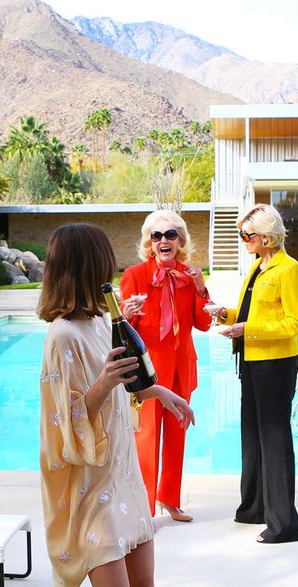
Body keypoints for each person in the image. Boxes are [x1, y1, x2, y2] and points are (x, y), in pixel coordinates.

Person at [37, 223, 194, 587]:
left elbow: (128, 380)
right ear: (84, 266)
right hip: (91, 487)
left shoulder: (106, 320)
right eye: (103, 260)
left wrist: (161, 392)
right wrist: (103, 382)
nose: (112, 270)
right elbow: (62, 427)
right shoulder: (61, 336)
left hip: (125, 475)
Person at [215, 204, 298, 543]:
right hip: (252, 361)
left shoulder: (289, 270)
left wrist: (246, 330)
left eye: (247, 235)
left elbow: (296, 323)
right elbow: (251, 312)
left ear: (266, 236)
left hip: (276, 366)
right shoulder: (257, 267)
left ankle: (284, 524)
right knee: (252, 436)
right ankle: (255, 508)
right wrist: (226, 314)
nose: (243, 241)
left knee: (274, 439)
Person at [120, 209, 212, 522]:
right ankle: (144, 510)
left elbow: (203, 324)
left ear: (180, 241)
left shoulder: (190, 275)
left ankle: (170, 499)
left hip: (181, 368)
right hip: (147, 373)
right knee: (146, 440)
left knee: (177, 434)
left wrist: (201, 289)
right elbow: (122, 328)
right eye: (157, 235)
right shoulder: (135, 275)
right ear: (149, 241)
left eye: (170, 234)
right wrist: (127, 312)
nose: (164, 240)